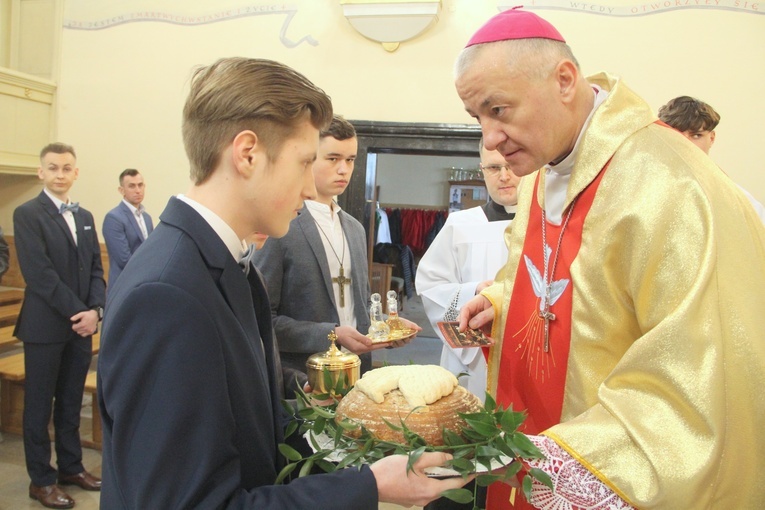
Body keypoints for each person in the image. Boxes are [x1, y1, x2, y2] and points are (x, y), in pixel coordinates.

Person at [98, 57, 466, 509]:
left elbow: (246, 421)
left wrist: (351, 424)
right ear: (248, 154)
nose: (311, 190)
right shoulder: (166, 293)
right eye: (305, 162)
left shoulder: (227, 261)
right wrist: (369, 486)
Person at [454, 9, 765, 509]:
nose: (489, 138)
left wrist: (560, 464)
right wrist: (501, 301)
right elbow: (549, 278)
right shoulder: (542, 168)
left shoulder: (673, 187)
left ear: (564, 80)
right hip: (528, 440)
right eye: (478, 119)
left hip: (597, 463)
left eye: (500, 110)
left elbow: (697, 379)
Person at [253, 115, 412, 380]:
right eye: (333, 158)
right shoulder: (280, 225)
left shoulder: (354, 228)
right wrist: (332, 334)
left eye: (350, 160)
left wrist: (388, 326)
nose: (344, 169)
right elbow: (260, 318)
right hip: (303, 376)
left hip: (357, 371)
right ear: (308, 159)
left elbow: (357, 307)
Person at [13, 142, 105, 509]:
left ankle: (71, 467)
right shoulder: (27, 214)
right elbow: (40, 275)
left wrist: (97, 309)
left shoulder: (84, 216)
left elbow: (97, 268)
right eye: (53, 168)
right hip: (44, 328)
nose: (60, 174)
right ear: (41, 172)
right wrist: (80, 313)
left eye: (67, 168)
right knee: (39, 407)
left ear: (76, 172)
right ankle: (41, 480)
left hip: (81, 326)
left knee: (70, 401)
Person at [417, 139, 519, 402]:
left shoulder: (549, 225)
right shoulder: (460, 225)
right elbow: (430, 288)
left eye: (511, 165)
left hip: (526, 354)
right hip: (472, 361)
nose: (504, 176)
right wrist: (472, 292)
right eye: (494, 168)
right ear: (481, 169)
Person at [658, 95, 765, 221]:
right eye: (676, 135)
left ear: (711, 138)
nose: (686, 144)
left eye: (696, 135)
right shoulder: (644, 191)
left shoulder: (737, 199)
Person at [102, 168, 153, 285]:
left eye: (140, 185)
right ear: (121, 190)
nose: (138, 190)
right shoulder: (113, 218)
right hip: (123, 284)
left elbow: (151, 250)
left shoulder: (147, 218)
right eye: (132, 186)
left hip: (145, 283)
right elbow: (124, 260)